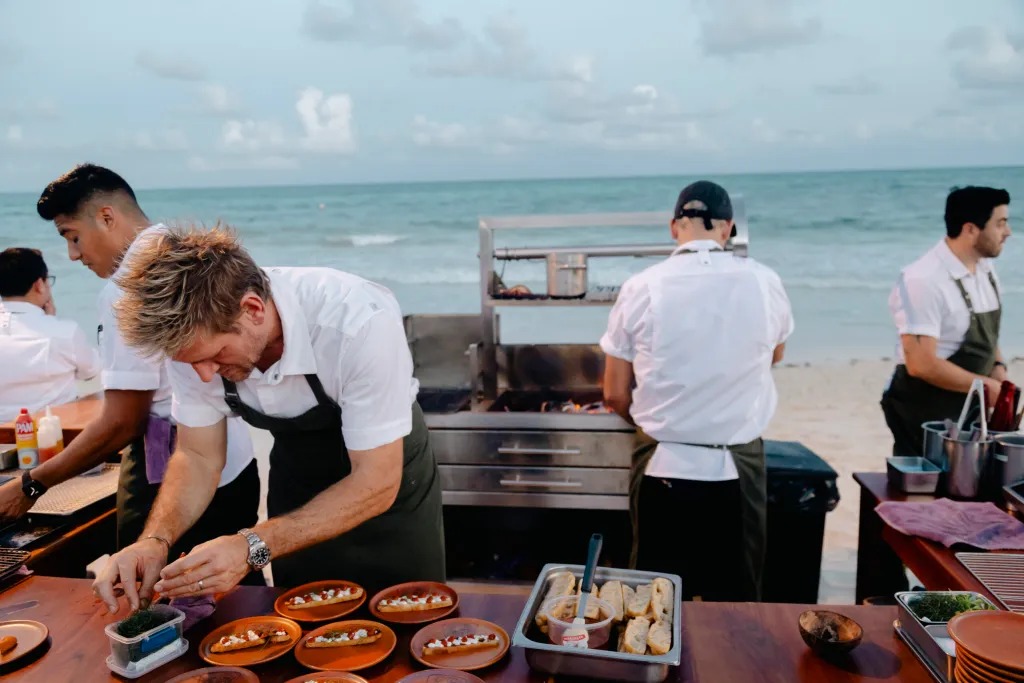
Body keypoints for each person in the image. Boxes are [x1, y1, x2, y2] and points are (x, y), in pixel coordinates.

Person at [92, 225, 445, 613]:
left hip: (389, 484)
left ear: (253, 310)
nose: (205, 375)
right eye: (192, 363)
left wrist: (251, 546)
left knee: (411, 619)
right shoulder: (192, 345)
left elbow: (377, 480)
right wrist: (155, 539)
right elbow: (198, 456)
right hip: (298, 481)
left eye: (216, 356)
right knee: (305, 622)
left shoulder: (355, 322)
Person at [0, 165, 259, 591]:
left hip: (175, 472)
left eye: (72, 236)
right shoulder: (195, 254)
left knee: (151, 597)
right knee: (236, 596)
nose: (73, 255)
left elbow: (124, 420)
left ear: (107, 217)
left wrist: (30, 485)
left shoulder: (124, 289)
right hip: (238, 461)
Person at [600, 180, 793, 602]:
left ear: (674, 227)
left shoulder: (642, 286)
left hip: (662, 471)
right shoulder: (764, 281)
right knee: (737, 607)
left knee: (653, 607)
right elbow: (773, 355)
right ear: (727, 229)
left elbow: (614, 392)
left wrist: (662, 425)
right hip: (738, 474)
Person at [881, 186, 1012, 457]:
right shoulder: (923, 280)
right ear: (971, 229)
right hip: (924, 414)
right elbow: (921, 364)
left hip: (970, 408)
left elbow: (987, 334)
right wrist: (987, 388)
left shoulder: (985, 268)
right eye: (1000, 224)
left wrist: (997, 365)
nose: (1008, 232)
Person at [0, 247, 100, 422]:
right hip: (54, 435)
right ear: (39, 284)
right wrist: (51, 322)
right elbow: (91, 371)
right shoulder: (64, 333)